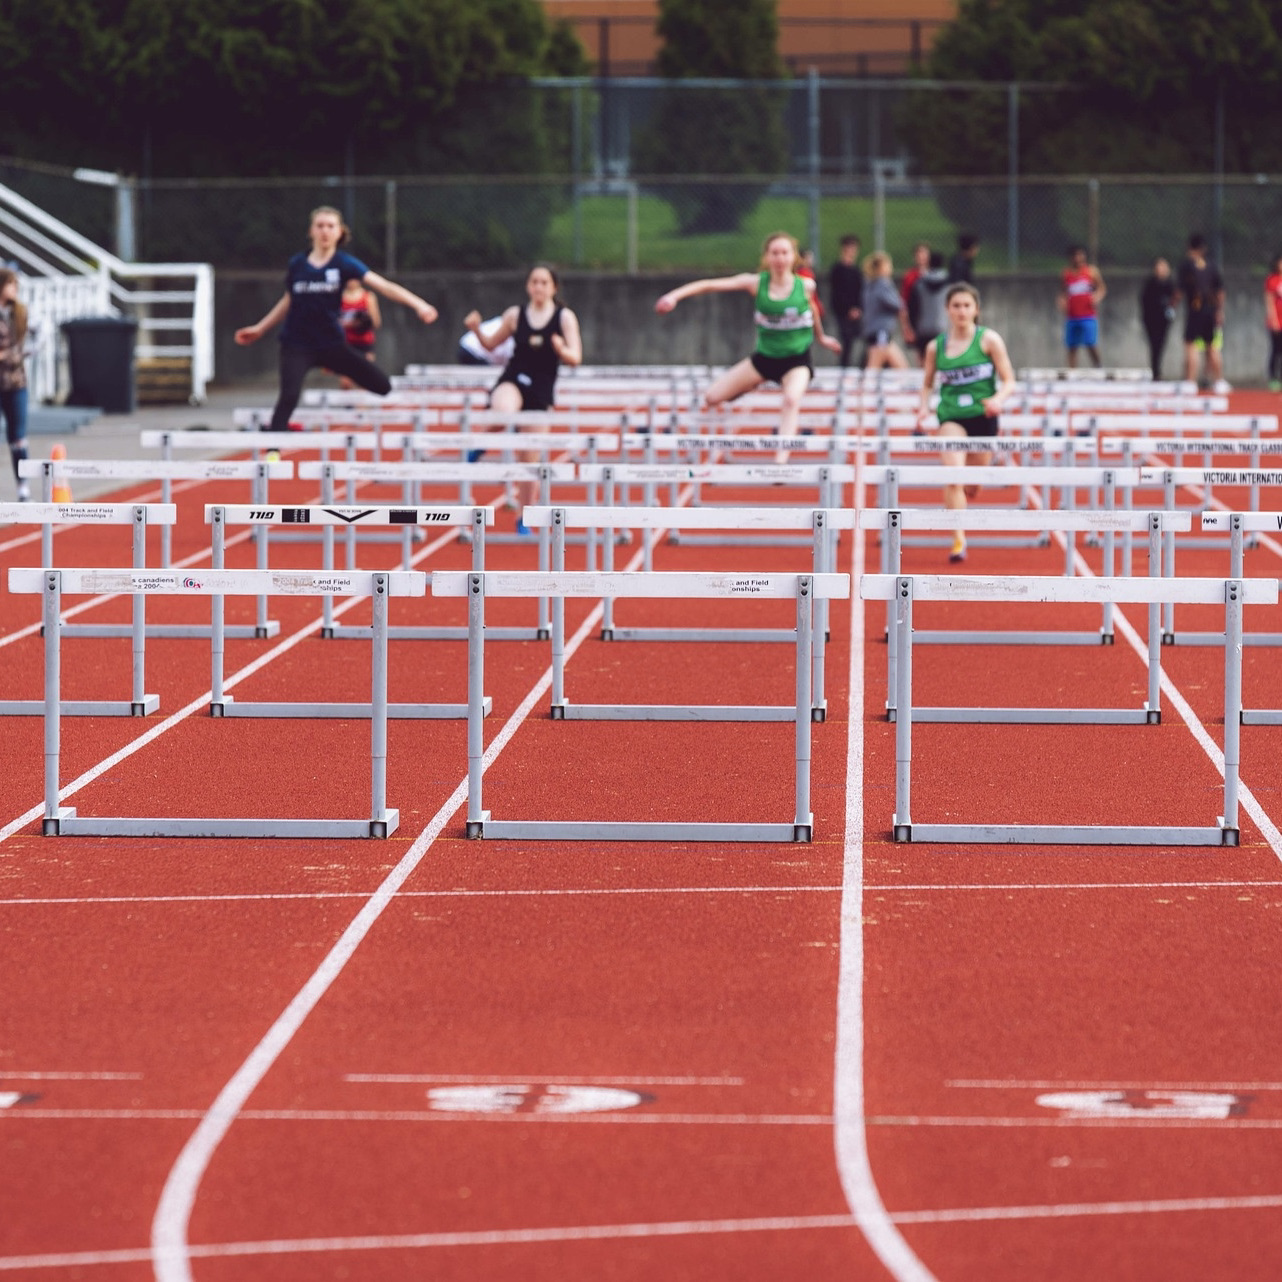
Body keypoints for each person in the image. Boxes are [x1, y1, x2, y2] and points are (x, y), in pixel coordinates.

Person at [234, 205, 438, 432]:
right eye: (320, 226)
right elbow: (288, 300)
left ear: (340, 232)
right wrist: (260, 328)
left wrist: (419, 304)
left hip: (331, 344)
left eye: (330, 226)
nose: (325, 231)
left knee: (383, 386)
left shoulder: (344, 264)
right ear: (311, 231)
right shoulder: (297, 265)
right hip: (297, 344)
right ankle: (273, 454)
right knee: (289, 396)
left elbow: (384, 286)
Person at [655, 231, 841, 437]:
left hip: (797, 361)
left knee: (790, 400)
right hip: (764, 359)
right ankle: (753, 383)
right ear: (767, 257)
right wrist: (674, 296)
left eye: (784, 253)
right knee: (712, 397)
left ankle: (780, 465)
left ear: (793, 257)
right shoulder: (755, 283)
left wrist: (821, 337)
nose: (780, 258)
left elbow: (812, 310)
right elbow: (710, 285)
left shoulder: (806, 286)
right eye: (775, 253)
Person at [463, 264, 583, 530]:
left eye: (543, 282)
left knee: (530, 458)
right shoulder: (515, 315)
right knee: (504, 412)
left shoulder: (564, 318)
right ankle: (480, 445)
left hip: (541, 389)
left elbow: (576, 358)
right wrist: (476, 330)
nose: (538, 287)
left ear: (554, 287)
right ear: (528, 286)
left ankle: (523, 518)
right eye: (534, 282)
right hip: (514, 379)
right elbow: (491, 345)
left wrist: (562, 350)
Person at [916, 282, 1016, 563]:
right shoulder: (935, 347)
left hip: (983, 418)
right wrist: (924, 408)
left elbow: (1009, 380)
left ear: (976, 310)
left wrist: (998, 400)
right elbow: (926, 384)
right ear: (947, 310)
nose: (961, 311)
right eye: (956, 306)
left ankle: (968, 492)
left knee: (972, 486)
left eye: (966, 306)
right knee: (953, 476)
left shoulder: (989, 340)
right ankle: (958, 537)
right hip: (951, 418)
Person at [1174, 232, 1228, 391]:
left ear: (1189, 248)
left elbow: (1179, 291)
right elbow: (1220, 291)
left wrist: (1172, 304)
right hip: (1211, 310)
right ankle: (1219, 381)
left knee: (1191, 345)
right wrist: (1219, 310)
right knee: (1212, 346)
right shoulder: (1212, 265)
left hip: (1195, 310)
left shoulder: (1186, 266)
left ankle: (1191, 382)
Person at [0, 269, 29, 501]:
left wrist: (6, 356)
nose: (14, 289)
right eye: (11, 284)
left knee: (17, 436)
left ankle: (23, 488)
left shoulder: (20, 312)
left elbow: (28, 345)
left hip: (16, 382)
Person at [1059, 244, 1107, 369]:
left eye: (1080, 255)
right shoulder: (1066, 274)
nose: (1078, 258)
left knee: (1090, 343)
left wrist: (1096, 297)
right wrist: (1062, 301)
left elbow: (1102, 288)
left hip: (1088, 315)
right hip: (1072, 315)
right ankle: (1072, 371)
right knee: (1072, 346)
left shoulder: (1091, 272)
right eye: (1075, 255)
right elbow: (1064, 292)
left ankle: (1098, 366)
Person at [861, 252, 909, 370]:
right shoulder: (883, 283)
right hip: (880, 332)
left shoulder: (869, 284)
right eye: (888, 265)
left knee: (902, 368)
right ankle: (866, 389)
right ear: (882, 267)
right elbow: (897, 304)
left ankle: (900, 388)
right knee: (873, 369)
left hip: (879, 332)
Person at [336, 275, 381, 389]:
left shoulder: (368, 297)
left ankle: (362, 406)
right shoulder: (338, 297)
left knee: (365, 381)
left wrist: (363, 321)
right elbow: (333, 321)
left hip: (364, 343)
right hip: (346, 343)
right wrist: (350, 323)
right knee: (346, 382)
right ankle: (347, 405)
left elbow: (376, 322)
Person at [905, 250, 949, 363]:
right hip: (942, 326)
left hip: (922, 328)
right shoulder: (949, 284)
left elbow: (913, 308)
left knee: (923, 362)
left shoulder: (919, 284)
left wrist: (912, 327)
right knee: (941, 360)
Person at [1139, 257, 1177, 383]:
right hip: (1151, 319)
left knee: (1160, 345)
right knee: (1154, 345)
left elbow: (1174, 300)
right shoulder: (1150, 283)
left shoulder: (1170, 284)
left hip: (1164, 321)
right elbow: (1144, 301)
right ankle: (1156, 371)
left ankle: (1157, 371)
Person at [828, 234, 863, 368]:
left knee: (859, 339)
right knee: (846, 340)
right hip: (842, 312)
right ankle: (844, 367)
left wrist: (858, 308)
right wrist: (848, 309)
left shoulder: (856, 270)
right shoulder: (837, 269)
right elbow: (837, 293)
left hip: (856, 312)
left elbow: (859, 291)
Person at [898, 242, 931, 351]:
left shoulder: (936, 275)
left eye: (924, 254)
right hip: (917, 321)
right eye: (919, 254)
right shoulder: (910, 276)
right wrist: (906, 327)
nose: (921, 257)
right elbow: (904, 302)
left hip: (933, 321)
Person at [1265, 255, 1282, 391]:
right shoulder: (1272, 279)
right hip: (1277, 321)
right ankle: (1273, 378)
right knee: (1276, 350)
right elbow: (1269, 301)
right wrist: (1274, 319)